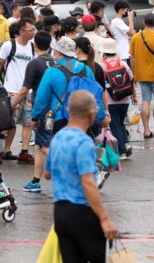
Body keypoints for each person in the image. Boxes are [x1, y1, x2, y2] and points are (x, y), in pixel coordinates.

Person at [45, 90, 119, 263]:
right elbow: (87, 182)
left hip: (60, 212)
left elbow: (47, 174)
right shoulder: (84, 142)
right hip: (81, 211)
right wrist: (105, 218)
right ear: (92, 114)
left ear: (69, 111)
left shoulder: (58, 138)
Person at [13, 30, 56, 192]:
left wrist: (11, 105)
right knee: (39, 145)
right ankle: (35, 181)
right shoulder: (55, 62)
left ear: (35, 44)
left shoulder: (34, 64)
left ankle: (66, 168)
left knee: (45, 145)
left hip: (41, 109)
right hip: (56, 109)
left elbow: (25, 89)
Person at [0, 19, 36, 163]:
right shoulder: (9, 45)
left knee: (27, 122)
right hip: (10, 90)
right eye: (30, 30)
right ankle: (3, 150)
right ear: (22, 31)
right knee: (8, 123)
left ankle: (24, 152)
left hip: (27, 90)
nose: (33, 32)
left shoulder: (32, 47)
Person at [129, 13, 154, 139]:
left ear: (144, 23)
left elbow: (132, 56)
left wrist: (134, 72)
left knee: (145, 100)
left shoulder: (136, 37)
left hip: (141, 74)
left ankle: (146, 130)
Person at [98, 39, 134, 159]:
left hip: (111, 100)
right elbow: (131, 77)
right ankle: (125, 144)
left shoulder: (102, 65)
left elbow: (99, 82)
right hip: (125, 98)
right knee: (121, 122)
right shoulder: (122, 63)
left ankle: (122, 150)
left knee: (115, 125)